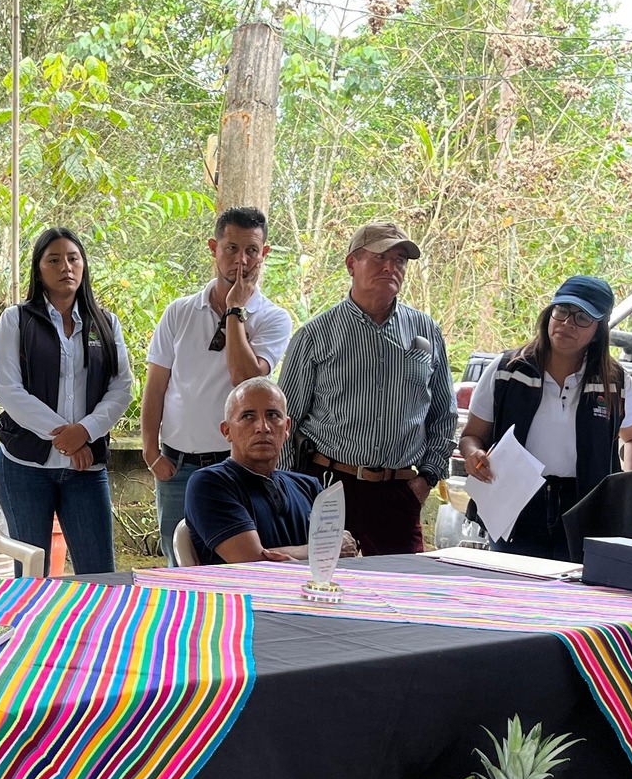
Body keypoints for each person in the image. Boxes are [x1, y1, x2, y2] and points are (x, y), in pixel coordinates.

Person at [279, 221, 455, 555]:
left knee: (402, 585)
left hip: (399, 492)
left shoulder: (426, 331)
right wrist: (294, 490)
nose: (391, 267)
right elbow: (285, 421)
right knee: (325, 580)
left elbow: (444, 415)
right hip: (329, 486)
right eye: (379, 257)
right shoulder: (316, 335)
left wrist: (426, 479)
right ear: (351, 264)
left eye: (400, 260)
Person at [459, 275, 632, 560]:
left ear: (598, 331)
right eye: (562, 311)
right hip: (514, 504)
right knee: (516, 581)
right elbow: (471, 436)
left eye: (582, 318)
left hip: (586, 507)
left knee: (577, 585)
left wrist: (627, 486)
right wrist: (474, 455)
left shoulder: (613, 381)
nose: (567, 323)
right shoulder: (507, 371)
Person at [141, 206, 293, 563]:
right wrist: (150, 452)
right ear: (214, 248)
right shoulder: (180, 311)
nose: (242, 260)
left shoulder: (273, 318)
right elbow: (156, 385)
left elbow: (246, 379)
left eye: (252, 250)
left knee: (237, 563)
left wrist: (235, 310)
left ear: (264, 253)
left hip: (237, 468)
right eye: (231, 248)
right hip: (177, 465)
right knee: (179, 562)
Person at [0, 226, 133, 575]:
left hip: (86, 469)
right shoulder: (16, 320)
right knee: (32, 574)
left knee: (101, 575)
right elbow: (9, 390)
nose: (65, 267)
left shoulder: (106, 324)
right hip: (23, 466)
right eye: (53, 260)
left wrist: (85, 432)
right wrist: (66, 437)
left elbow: (121, 387)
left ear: (83, 265)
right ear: (38, 270)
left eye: (73, 258)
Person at [184, 377, 357, 565]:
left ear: (287, 427)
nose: (263, 427)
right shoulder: (209, 483)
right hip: (243, 586)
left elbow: (346, 553)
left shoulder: (309, 486)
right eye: (248, 416)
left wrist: (316, 552)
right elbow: (251, 562)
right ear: (227, 431)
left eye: (273, 415)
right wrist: (325, 550)